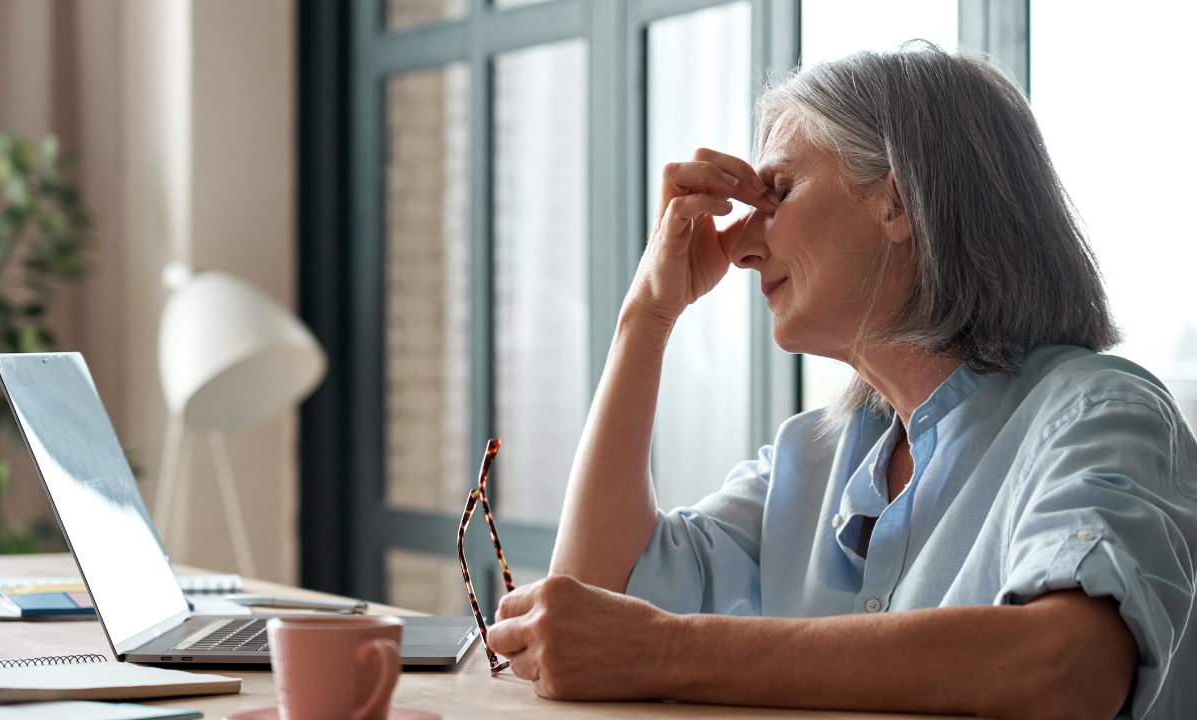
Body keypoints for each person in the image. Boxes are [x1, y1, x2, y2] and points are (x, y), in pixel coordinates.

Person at [487, 44, 1197, 720]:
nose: (743, 247)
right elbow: (594, 611)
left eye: (781, 191)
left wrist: (665, 650)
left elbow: (1066, 670)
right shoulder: (814, 460)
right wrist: (647, 314)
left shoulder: (1099, 414)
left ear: (897, 201)